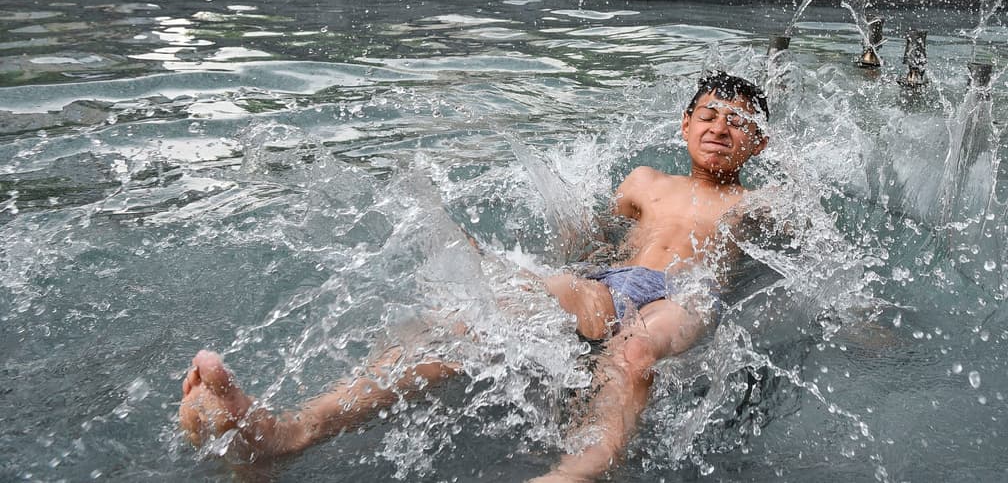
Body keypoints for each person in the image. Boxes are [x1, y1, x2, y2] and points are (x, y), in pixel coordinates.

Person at [178, 72, 771, 481]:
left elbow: (802, 253)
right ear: (684, 124)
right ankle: (288, 433)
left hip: (681, 297)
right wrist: (538, 264)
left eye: (738, 122)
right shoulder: (644, 181)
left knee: (636, 350)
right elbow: (595, 246)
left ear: (760, 143)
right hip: (608, 283)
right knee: (477, 313)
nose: (720, 128)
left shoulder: (759, 202)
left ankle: (581, 470)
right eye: (708, 114)